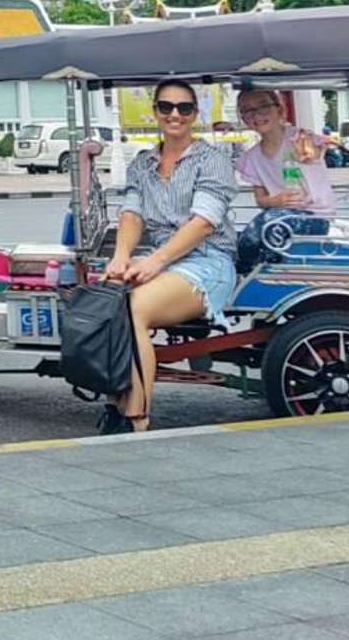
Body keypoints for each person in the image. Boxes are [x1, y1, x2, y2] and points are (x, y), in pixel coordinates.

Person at [101, 79, 238, 434]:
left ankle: (136, 417)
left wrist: (153, 262)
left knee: (135, 309)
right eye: (166, 107)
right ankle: (116, 399)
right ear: (155, 112)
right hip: (160, 257)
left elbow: (203, 223)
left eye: (184, 108)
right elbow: (131, 214)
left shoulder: (213, 160)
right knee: (108, 298)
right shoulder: (143, 162)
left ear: (195, 114)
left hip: (208, 262)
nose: (174, 114)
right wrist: (121, 256)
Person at [234, 89, 337, 273]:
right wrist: (275, 201)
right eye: (248, 111)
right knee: (248, 234)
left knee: (272, 223)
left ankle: (265, 277)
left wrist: (308, 150)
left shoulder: (299, 138)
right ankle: (242, 273)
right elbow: (260, 199)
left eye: (263, 108)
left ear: (280, 110)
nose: (256, 115)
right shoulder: (251, 157)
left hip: (316, 217)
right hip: (281, 216)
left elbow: (315, 149)